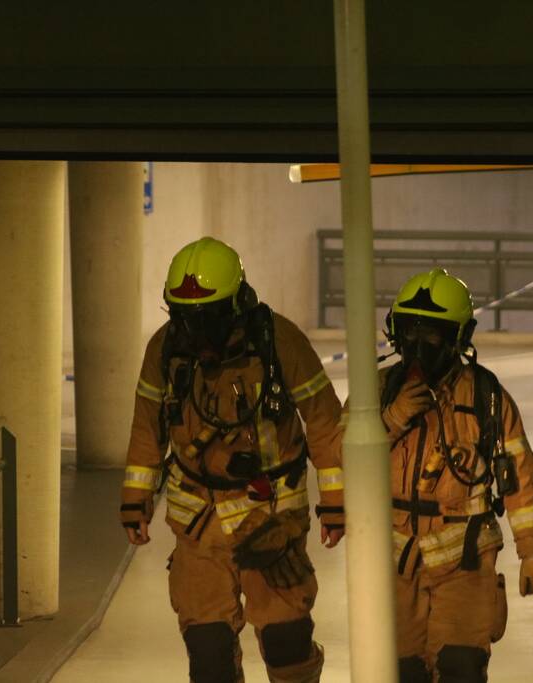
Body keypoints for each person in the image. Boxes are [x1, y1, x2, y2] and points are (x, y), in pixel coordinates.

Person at [120, 237, 346, 683]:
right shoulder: (166, 349)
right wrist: (135, 499)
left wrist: (336, 501)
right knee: (208, 656)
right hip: (199, 525)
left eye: (209, 319)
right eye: (185, 319)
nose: (197, 332)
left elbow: (323, 421)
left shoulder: (279, 341)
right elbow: (148, 425)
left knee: (287, 647)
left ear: (239, 303)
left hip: (270, 521)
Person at [379, 268, 533, 683]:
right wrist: (391, 419)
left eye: (433, 336)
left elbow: (519, 481)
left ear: (459, 337)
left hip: (466, 563)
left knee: (461, 668)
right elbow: (342, 458)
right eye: (410, 332)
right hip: (395, 564)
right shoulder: (379, 391)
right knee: (402, 673)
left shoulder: (486, 398)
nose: (419, 347)